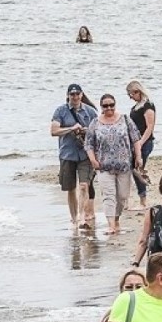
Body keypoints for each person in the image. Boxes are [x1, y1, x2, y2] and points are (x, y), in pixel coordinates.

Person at [85, 94, 142, 235]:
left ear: (115, 105)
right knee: (108, 196)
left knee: (122, 196)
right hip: (104, 166)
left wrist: (138, 156)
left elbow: (135, 139)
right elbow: (88, 144)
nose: (109, 108)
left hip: (124, 165)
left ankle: (117, 218)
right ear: (101, 107)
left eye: (111, 105)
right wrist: (93, 160)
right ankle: (111, 225)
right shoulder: (95, 123)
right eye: (105, 105)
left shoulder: (125, 119)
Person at [50, 83, 97, 230]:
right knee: (70, 188)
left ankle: (83, 216)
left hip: (85, 153)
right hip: (67, 153)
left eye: (77, 94)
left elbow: (98, 130)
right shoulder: (61, 111)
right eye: (72, 95)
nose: (75, 97)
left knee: (84, 185)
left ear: (82, 95)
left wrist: (85, 131)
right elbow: (54, 131)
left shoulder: (90, 112)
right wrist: (71, 128)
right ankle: (74, 218)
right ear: (68, 96)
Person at [126, 80, 156, 207]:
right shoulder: (135, 107)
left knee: (137, 169)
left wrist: (141, 142)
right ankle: (130, 199)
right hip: (134, 142)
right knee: (131, 169)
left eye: (131, 94)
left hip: (145, 142)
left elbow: (150, 127)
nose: (130, 97)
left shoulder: (147, 106)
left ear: (137, 91)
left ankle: (143, 200)